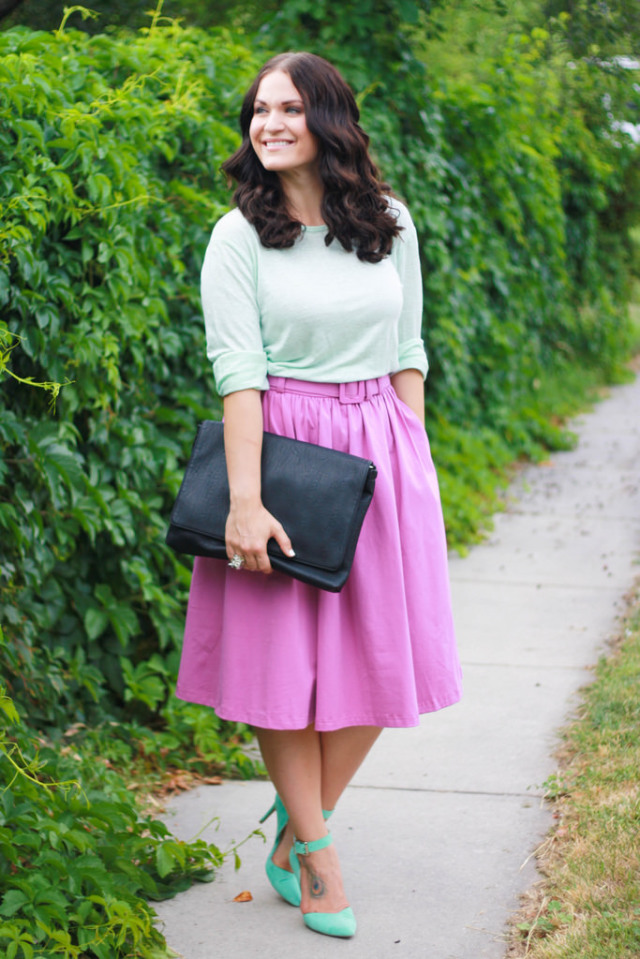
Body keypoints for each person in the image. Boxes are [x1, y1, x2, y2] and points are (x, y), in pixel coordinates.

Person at [175, 51, 462, 939]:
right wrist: (246, 504)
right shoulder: (237, 237)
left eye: (290, 108)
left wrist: (415, 458)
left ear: (328, 119)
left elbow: (409, 343)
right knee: (280, 670)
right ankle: (319, 854)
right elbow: (239, 377)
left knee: (385, 659)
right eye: (259, 111)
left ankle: (297, 822)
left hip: (382, 447)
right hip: (285, 454)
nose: (269, 125)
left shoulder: (391, 222)